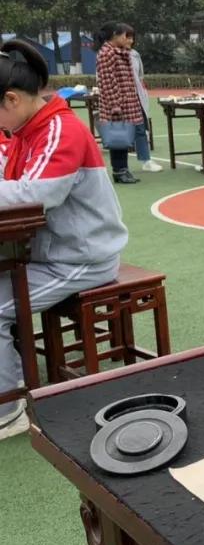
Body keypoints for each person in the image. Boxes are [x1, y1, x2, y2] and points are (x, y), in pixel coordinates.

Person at [0, 40, 127, 440]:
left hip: (78, 260)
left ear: (11, 99)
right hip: (46, 254)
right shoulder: (26, 129)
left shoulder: (60, 128)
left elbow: (33, 196)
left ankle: (9, 407)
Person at [95, 23, 144, 185]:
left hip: (125, 102)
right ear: (115, 35)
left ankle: (123, 169)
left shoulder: (120, 52)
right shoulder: (107, 54)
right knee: (117, 137)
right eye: (125, 36)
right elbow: (108, 82)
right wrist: (115, 105)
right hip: (116, 105)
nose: (129, 40)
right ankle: (119, 170)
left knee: (123, 137)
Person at [128, 31, 162, 174]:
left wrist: (142, 93)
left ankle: (146, 160)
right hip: (123, 98)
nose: (129, 40)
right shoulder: (111, 55)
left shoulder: (135, 54)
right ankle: (120, 166)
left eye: (131, 37)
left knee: (141, 129)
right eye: (126, 37)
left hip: (137, 97)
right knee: (121, 132)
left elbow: (140, 76)